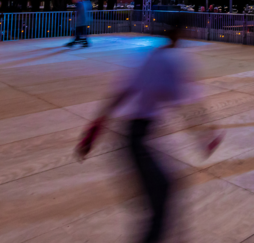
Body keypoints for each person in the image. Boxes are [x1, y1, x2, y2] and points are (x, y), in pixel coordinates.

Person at [75, 28, 223, 243]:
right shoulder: (170, 62)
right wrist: (205, 135)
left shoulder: (151, 58)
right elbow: (188, 106)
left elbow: (122, 92)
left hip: (134, 136)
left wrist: (94, 129)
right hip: (138, 139)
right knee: (162, 196)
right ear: (181, 35)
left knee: (162, 195)